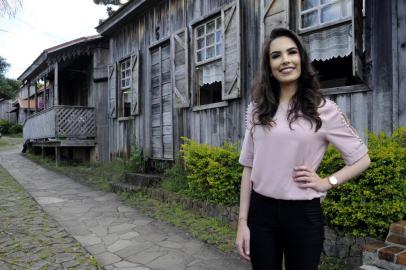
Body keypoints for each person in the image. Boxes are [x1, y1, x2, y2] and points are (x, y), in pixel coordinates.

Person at [235, 28, 371, 270]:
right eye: (276, 55)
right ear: (269, 65)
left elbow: (362, 159)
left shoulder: (323, 110)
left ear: (301, 59)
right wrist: (242, 222)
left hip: (303, 216)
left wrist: (327, 182)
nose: (285, 60)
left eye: (292, 52)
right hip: (261, 214)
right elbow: (248, 167)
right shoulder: (257, 109)